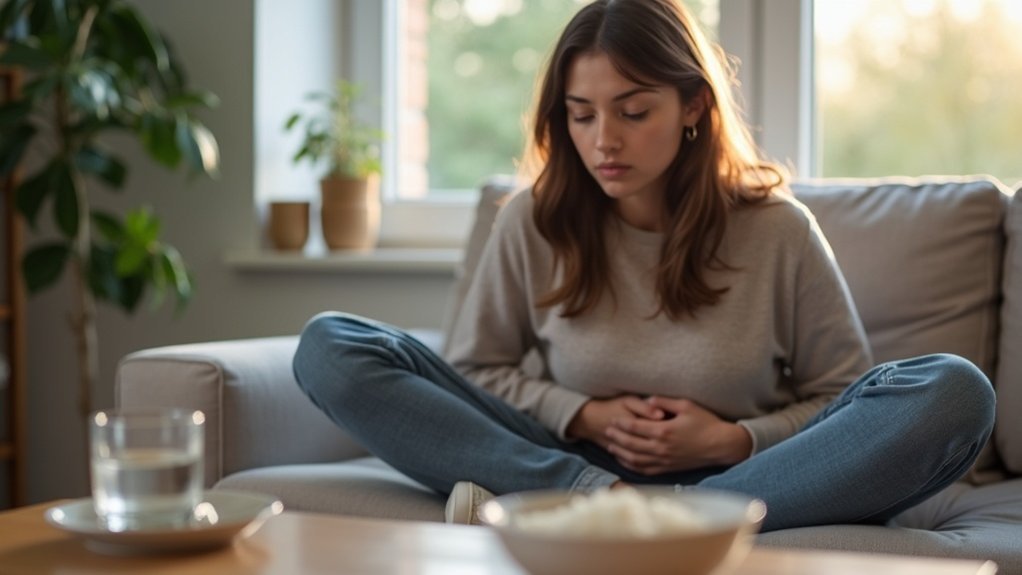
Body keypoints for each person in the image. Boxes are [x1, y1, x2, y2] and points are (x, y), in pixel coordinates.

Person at [293, 0, 994, 532]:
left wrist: (735, 437)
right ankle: (606, 503)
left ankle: (683, 512)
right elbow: (477, 369)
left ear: (693, 105)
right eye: (582, 115)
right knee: (330, 345)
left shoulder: (777, 228)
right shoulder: (533, 218)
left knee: (954, 391)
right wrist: (584, 417)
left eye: (632, 112)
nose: (604, 141)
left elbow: (841, 395)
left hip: (753, 472)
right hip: (558, 460)